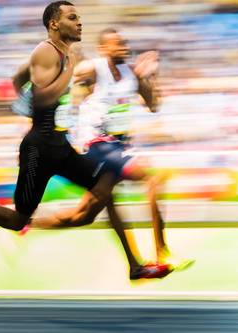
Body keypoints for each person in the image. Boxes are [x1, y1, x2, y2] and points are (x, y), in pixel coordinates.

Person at [0, 1, 170, 280]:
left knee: (105, 189)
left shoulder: (62, 54)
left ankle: (135, 267)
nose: (79, 22)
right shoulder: (46, 51)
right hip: (38, 150)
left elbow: (18, 77)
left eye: (78, 17)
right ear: (55, 24)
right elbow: (44, 96)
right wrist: (65, 74)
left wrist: (31, 99)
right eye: (72, 17)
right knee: (17, 219)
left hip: (61, 145)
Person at [32, 28, 192, 269]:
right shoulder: (93, 68)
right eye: (118, 44)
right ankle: (162, 253)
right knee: (154, 179)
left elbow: (154, 106)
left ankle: (27, 225)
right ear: (103, 48)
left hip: (117, 146)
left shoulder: (132, 74)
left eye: (125, 42)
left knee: (83, 216)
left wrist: (150, 77)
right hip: (95, 144)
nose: (125, 47)